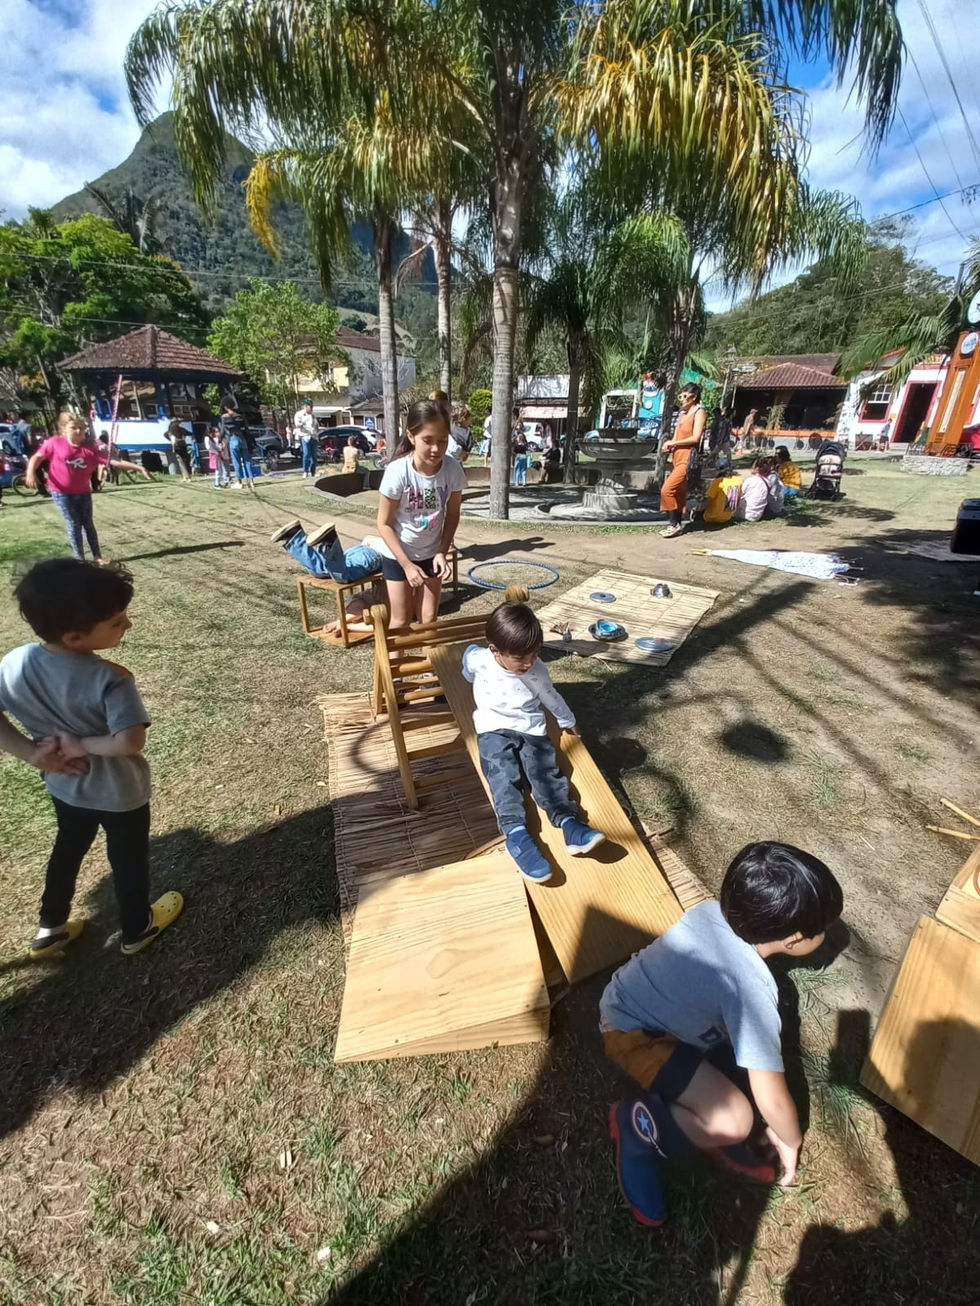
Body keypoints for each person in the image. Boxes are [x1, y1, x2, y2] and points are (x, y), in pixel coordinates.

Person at [603, 841, 842, 1226]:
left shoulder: (709, 912)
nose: (827, 936)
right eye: (823, 930)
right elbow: (772, 1096)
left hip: (630, 999)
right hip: (635, 1035)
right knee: (736, 1120)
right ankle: (641, 1129)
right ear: (794, 940)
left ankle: (706, 1117)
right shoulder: (752, 990)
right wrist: (791, 1138)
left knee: (740, 1068)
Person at [0, 559, 184, 958]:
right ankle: (137, 928)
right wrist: (82, 744)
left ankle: (50, 928)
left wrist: (32, 754)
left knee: (67, 850)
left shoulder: (13, 662)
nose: (128, 624)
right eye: (117, 621)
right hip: (120, 793)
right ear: (74, 637)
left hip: (65, 787)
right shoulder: (111, 677)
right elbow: (129, 741)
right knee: (128, 859)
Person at [462, 599, 605, 884]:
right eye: (520, 659)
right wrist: (469, 676)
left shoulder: (536, 669)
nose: (528, 663)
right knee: (503, 776)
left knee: (545, 773)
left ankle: (570, 824)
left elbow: (550, 696)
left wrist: (566, 719)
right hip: (493, 729)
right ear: (495, 650)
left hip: (531, 729)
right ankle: (517, 835)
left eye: (534, 654)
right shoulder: (479, 659)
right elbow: (467, 665)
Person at [376, 397, 466, 627]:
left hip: (431, 554)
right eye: (427, 440)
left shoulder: (452, 470)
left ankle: (429, 653)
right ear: (411, 436)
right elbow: (383, 524)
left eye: (442, 441)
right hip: (398, 555)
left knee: (428, 619)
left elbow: (453, 515)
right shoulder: (398, 472)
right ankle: (391, 653)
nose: (436, 449)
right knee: (401, 620)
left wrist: (442, 552)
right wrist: (406, 565)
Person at [25, 413, 150, 561]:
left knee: (88, 524)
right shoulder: (55, 443)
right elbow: (36, 458)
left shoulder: (90, 450)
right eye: (74, 428)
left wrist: (139, 468)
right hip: (61, 492)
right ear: (64, 429)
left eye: (81, 428)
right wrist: (30, 472)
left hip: (83, 492)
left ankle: (97, 557)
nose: (78, 431)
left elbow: (115, 461)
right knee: (74, 523)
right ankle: (80, 559)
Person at [660, 384, 707, 538]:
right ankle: (677, 525)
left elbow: (696, 437)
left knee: (667, 489)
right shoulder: (682, 415)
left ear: (693, 397)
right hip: (676, 457)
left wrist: (674, 443)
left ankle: (673, 524)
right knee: (678, 492)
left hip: (688, 458)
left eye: (684, 396)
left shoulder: (699, 413)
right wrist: (670, 446)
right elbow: (676, 437)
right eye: (680, 396)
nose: (682, 399)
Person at [270, 519, 384, 582]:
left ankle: (294, 536)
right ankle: (329, 542)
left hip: (362, 551)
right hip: (377, 554)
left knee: (321, 570)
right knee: (344, 576)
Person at [220, 400, 253, 489]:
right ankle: (251, 480)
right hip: (242, 438)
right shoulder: (239, 416)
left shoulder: (224, 417)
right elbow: (246, 429)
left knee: (236, 461)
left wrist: (220, 440)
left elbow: (223, 431)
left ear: (225, 406)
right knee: (247, 460)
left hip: (233, 438)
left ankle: (239, 482)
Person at [736, 457, 775, 522]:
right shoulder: (768, 483)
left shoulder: (750, 480)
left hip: (744, 514)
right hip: (757, 516)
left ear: (757, 468)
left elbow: (740, 494)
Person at [294, 399, 318, 479]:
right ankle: (305, 471)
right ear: (305, 406)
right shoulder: (299, 414)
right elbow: (297, 425)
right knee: (306, 454)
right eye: (310, 407)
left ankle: (313, 472)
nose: (312, 408)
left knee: (314, 456)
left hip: (313, 436)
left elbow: (316, 425)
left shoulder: (313, 415)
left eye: (312, 406)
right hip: (305, 436)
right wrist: (302, 423)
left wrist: (316, 427)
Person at [206, 422, 231, 489]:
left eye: (218, 431)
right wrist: (218, 451)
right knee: (218, 470)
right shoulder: (211, 440)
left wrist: (221, 448)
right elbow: (210, 448)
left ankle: (225, 481)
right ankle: (217, 484)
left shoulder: (221, 439)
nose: (218, 433)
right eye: (216, 432)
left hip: (221, 455)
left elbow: (224, 444)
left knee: (224, 469)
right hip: (215, 456)